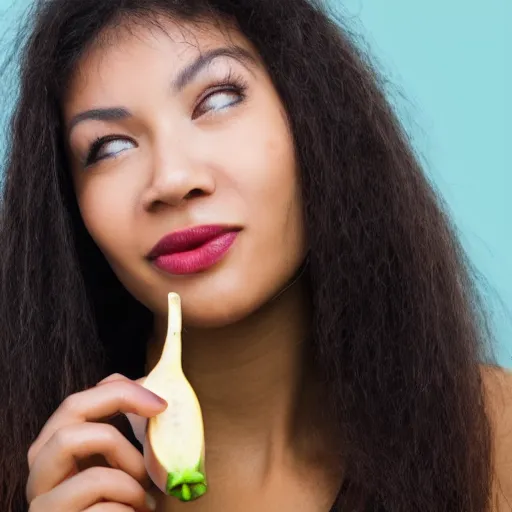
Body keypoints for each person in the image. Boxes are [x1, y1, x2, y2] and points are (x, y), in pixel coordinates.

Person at [0, 0, 510, 510]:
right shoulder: (54, 477)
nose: (173, 180)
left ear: (313, 116)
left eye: (218, 101)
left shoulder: (490, 431)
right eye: (109, 147)